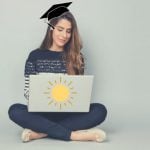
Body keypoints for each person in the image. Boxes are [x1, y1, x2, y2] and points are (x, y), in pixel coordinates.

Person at [8, 10, 107, 143]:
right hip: (41, 113)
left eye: (68, 31)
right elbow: (28, 92)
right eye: (60, 29)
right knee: (14, 110)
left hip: (68, 113)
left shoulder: (77, 57)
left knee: (100, 110)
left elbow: (79, 93)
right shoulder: (35, 56)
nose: (64, 35)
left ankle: (41, 132)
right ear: (51, 29)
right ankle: (73, 135)